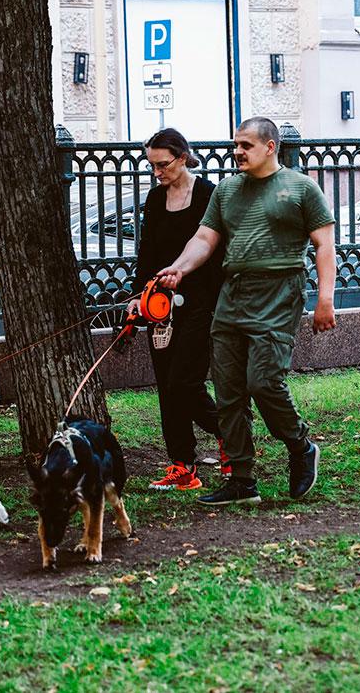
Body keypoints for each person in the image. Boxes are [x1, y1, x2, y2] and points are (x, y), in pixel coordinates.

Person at [157, 116, 338, 506]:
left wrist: (326, 298)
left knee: (263, 382)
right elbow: (205, 238)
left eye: (245, 145)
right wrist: (180, 266)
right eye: (235, 145)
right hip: (233, 294)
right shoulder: (227, 190)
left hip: (279, 293)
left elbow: (324, 245)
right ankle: (241, 479)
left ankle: (300, 445)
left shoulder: (300, 188)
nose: (237, 151)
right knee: (228, 392)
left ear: (270, 147)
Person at [132, 128, 225, 492]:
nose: (158, 171)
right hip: (160, 305)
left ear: (183, 157)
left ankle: (230, 433)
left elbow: (214, 249)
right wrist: (138, 295)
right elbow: (148, 251)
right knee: (166, 386)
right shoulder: (155, 199)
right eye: (152, 165)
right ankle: (182, 466)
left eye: (163, 164)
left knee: (184, 382)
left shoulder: (208, 194)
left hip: (202, 301)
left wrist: (184, 275)